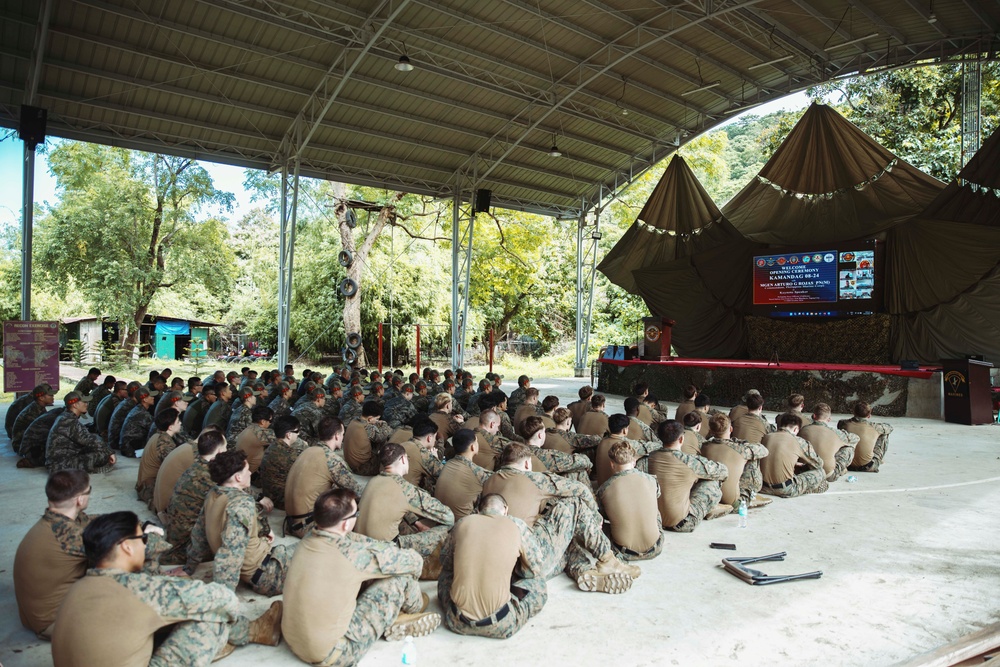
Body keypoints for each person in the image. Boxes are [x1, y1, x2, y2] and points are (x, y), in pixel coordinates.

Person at [52, 511, 283, 666]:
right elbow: (225, 600)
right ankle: (252, 631)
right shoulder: (138, 590)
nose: (146, 543)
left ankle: (250, 632)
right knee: (209, 619)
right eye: (143, 539)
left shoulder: (77, 588)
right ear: (126, 548)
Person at [282, 489, 441, 665]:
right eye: (355, 513)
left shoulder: (307, 540)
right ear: (344, 524)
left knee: (369, 574)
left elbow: (356, 541)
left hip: (293, 640)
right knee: (400, 578)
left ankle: (396, 615)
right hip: (335, 654)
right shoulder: (353, 556)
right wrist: (394, 553)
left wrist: (385, 549)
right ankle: (413, 609)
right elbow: (414, 562)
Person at [482, 443, 640, 593]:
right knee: (573, 504)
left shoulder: (487, 482)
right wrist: (595, 516)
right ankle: (608, 560)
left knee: (563, 538)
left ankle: (583, 571)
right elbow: (580, 489)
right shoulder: (535, 479)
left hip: (506, 567)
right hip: (532, 560)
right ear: (526, 464)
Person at [438, 493, 549, 639]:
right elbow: (534, 569)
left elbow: (445, 562)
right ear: (505, 509)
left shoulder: (462, 523)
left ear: (478, 511)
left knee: (445, 576)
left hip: (456, 621)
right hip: (500, 624)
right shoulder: (517, 525)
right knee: (539, 584)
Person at [187, 451, 293, 596]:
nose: (250, 472)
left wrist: (189, 566)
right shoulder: (242, 504)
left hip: (257, 567)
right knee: (310, 552)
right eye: (247, 470)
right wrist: (225, 600)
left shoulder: (213, 493)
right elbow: (230, 554)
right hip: (265, 576)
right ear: (238, 477)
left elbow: (198, 534)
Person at [14, 470, 94, 638]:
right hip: (56, 623)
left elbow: (91, 521)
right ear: (80, 499)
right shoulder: (69, 536)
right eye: (89, 491)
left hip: (35, 618)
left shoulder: (53, 522)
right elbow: (121, 548)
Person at [355, 443, 455, 579]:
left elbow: (396, 505)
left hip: (362, 546)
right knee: (446, 528)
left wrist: (417, 523)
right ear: (403, 459)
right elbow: (448, 516)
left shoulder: (374, 481)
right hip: (387, 551)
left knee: (403, 521)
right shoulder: (404, 488)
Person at [284, 416, 365, 538]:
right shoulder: (331, 460)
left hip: (290, 522)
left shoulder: (307, 451)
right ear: (337, 435)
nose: (343, 438)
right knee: (362, 510)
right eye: (343, 434)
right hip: (308, 526)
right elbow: (357, 491)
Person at [647, 420, 730, 532]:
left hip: (654, 519)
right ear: (681, 439)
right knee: (712, 483)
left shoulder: (650, 456)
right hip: (683, 523)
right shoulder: (689, 461)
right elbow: (723, 472)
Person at [163, 430, 229, 564]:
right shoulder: (209, 476)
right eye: (226, 447)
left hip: (175, 538)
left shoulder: (196, 467)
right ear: (220, 452)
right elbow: (233, 497)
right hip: (186, 548)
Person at [596, 440, 663, 561]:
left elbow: (603, 515)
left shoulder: (604, 489)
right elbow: (656, 495)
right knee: (652, 508)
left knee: (597, 521)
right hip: (656, 547)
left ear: (612, 464)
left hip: (622, 551)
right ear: (634, 461)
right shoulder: (651, 480)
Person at [701, 414, 770, 511]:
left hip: (710, 494)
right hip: (734, 502)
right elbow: (764, 451)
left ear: (711, 430)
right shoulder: (741, 449)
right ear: (731, 429)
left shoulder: (704, 446)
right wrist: (742, 443)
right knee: (753, 458)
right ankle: (750, 493)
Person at [760, 413, 828, 497]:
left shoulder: (766, 437)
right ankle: (808, 489)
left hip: (763, 487)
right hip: (785, 489)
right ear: (796, 429)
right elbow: (818, 464)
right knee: (821, 472)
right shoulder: (798, 441)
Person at [46, 392, 116, 474]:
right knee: (103, 455)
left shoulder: (66, 416)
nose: (87, 404)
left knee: (98, 448)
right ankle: (92, 470)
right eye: (84, 402)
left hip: (60, 461)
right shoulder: (68, 421)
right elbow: (89, 440)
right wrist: (110, 452)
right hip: (60, 466)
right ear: (75, 405)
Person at [434, 429, 492, 520]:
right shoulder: (479, 473)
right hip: (462, 524)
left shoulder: (448, 464)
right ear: (473, 447)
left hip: (440, 518)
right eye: (477, 442)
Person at [594, 413, 662, 487]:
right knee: (645, 457)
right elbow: (653, 447)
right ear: (624, 430)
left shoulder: (602, 441)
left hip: (601, 484)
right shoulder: (626, 445)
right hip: (617, 486)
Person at [799, 403, 860, 482]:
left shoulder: (803, 430)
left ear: (813, 416)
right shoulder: (835, 433)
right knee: (848, 448)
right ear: (829, 420)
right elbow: (856, 438)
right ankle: (839, 469)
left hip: (804, 472)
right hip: (827, 475)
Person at [259, 415, 309, 510]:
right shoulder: (288, 455)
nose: (298, 434)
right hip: (282, 500)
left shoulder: (274, 446)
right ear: (289, 435)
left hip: (270, 494)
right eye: (297, 431)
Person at [136, 408, 182, 507]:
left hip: (144, 484)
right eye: (178, 421)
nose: (180, 423)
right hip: (148, 487)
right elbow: (173, 469)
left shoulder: (159, 435)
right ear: (170, 427)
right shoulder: (164, 442)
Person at [839, 401, 894, 473]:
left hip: (847, 464)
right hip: (868, 466)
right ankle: (877, 459)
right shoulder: (875, 427)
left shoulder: (843, 424)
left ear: (854, 412)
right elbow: (890, 428)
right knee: (884, 434)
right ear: (869, 415)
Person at [343, 401, 393, 476]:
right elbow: (382, 437)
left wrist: (376, 423)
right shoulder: (367, 427)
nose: (377, 421)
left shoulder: (354, 421)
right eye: (377, 419)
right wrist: (384, 425)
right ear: (369, 419)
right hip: (362, 468)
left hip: (351, 464)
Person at [399, 419, 445, 493]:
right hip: (407, 495)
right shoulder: (423, 453)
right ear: (429, 438)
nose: (435, 441)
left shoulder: (402, 444)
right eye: (435, 437)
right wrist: (435, 458)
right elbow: (443, 474)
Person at [12, 383, 57, 455]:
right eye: (50, 395)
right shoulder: (31, 412)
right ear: (41, 398)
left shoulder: (39, 407)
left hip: (28, 441)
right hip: (22, 446)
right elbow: (40, 431)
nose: (53, 397)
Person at [235, 405, 276, 475]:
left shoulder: (250, 428)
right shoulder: (260, 433)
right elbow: (282, 439)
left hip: (240, 470)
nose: (270, 423)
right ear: (263, 421)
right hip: (247, 474)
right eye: (270, 421)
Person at [120, 385, 159, 457]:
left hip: (128, 446)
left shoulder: (138, 409)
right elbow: (156, 428)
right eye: (151, 396)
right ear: (145, 399)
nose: (153, 398)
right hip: (131, 450)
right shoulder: (142, 414)